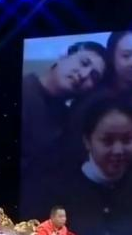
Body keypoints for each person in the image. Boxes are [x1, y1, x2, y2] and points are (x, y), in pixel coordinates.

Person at [47, 93, 132, 235]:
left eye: (127, 140)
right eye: (107, 140)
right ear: (87, 141)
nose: (118, 150)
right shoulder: (57, 191)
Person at [21, 41, 108, 181]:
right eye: (84, 63)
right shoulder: (24, 92)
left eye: (94, 76)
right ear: (64, 56)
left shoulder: (68, 120)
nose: (83, 74)